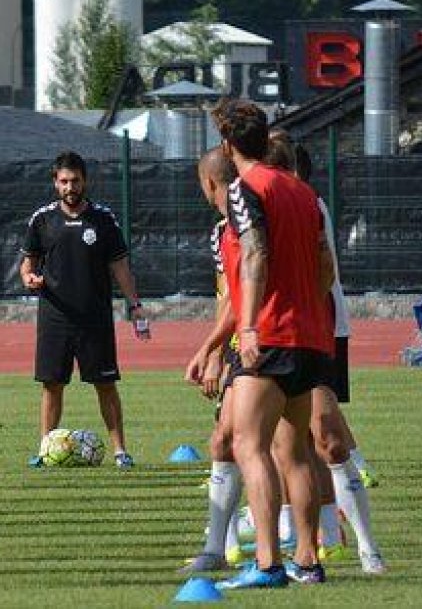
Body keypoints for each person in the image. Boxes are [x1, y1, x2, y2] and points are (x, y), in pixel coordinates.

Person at [205, 99, 328, 589]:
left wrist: (251, 325)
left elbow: (255, 252)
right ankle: (309, 561)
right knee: (294, 452)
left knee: (247, 445)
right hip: (310, 335)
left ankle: (268, 563)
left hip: (271, 334)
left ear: (227, 144)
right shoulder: (303, 191)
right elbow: (325, 265)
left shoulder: (245, 187)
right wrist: (308, 307)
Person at [269, 131, 384, 570]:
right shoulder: (268, 203)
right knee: (288, 443)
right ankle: (312, 536)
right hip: (281, 334)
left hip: (316, 332)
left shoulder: (306, 203)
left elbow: (322, 272)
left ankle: (367, 549)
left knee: (327, 439)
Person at [21, 152, 148, 469]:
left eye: (75, 180)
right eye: (64, 181)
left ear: (85, 181)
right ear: (55, 183)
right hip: (54, 317)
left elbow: (120, 267)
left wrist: (135, 305)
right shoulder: (42, 219)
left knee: (105, 384)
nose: (70, 187)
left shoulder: (103, 219)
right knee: (52, 385)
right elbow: (27, 263)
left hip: (95, 317)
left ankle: (120, 451)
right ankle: (45, 449)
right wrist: (29, 278)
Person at [180, 147, 244, 574]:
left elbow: (234, 298)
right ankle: (221, 546)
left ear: (207, 183)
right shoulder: (225, 228)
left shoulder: (240, 224)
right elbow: (227, 293)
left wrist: (212, 352)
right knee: (227, 440)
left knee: (269, 446)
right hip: (250, 342)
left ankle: (303, 543)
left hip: (258, 344)